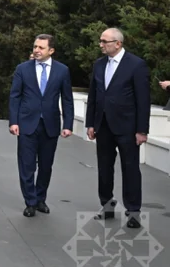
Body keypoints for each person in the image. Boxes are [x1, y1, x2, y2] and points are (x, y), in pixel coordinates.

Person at [85, 27, 150, 229]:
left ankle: (133, 212)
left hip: (128, 128)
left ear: (118, 43)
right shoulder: (99, 64)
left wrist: (142, 130)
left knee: (130, 168)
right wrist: (90, 123)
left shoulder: (136, 65)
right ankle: (107, 205)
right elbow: (94, 96)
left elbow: (143, 100)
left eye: (105, 41)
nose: (101, 44)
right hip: (103, 126)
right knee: (104, 168)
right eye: (101, 41)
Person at [8, 34, 74, 217]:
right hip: (27, 124)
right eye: (35, 46)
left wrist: (68, 124)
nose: (36, 50)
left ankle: (40, 199)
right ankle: (30, 201)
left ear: (51, 50)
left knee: (46, 165)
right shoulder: (23, 69)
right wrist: (13, 122)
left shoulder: (62, 70)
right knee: (27, 165)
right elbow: (15, 96)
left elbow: (67, 99)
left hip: (50, 125)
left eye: (41, 47)